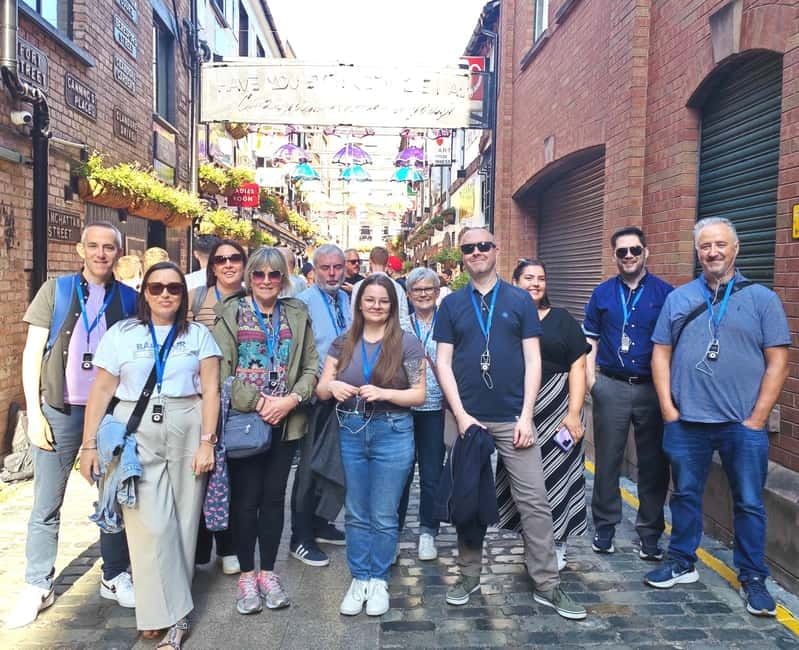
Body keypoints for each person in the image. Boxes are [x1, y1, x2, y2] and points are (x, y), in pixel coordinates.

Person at [433, 227, 586, 620]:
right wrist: (461, 415)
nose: (477, 252)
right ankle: (469, 576)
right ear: (462, 255)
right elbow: (443, 363)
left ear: (496, 250)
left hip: (514, 418)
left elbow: (533, 360)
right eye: (469, 247)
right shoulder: (451, 304)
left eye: (483, 245)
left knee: (534, 502)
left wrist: (527, 415)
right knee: (468, 499)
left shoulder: (519, 300)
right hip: (469, 419)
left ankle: (547, 584)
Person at [644, 217, 790, 617]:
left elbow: (778, 362)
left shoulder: (762, 299)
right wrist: (668, 409)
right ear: (697, 252)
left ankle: (753, 577)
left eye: (720, 244)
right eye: (705, 246)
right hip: (687, 422)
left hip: (741, 425)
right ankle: (681, 561)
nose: (713, 252)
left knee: (749, 502)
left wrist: (757, 418)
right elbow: (660, 354)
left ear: (735, 248)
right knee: (685, 495)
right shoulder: (679, 298)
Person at [80, 261, 221, 647]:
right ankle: (168, 611)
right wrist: (88, 444)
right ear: (144, 292)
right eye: (156, 287)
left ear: (183, 295)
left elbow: (211, 390)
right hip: (135, 427)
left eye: (174, 288)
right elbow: (102, 390)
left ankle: (168, 612)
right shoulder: (123, 333)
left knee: (185, 521)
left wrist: (208, 441)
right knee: (149, 524)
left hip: (187, 421)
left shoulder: (198, 335)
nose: (165, 294)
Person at [6, 222, 137, 629]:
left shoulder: (129, 299)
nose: (101, 253)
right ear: (81, 250)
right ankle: (37, 585)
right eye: (93, 246)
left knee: (112, 497)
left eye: (108, 247)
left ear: (117, 253)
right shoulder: (56, 291)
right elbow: (32, 353)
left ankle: (114, 575)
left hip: (110, 414)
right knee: (47, 503)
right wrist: (35, 414)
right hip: (60, 411)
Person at [213, 247, 319, 614]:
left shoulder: (296, 313)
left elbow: (311, 365)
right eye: (259, 274)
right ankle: (247, 575)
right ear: (249, 277)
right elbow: (221, 371)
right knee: (245, 501)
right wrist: (259, 402)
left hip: (286, 422)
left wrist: (290, 400)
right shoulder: (230, 313)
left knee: (274, 500)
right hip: (245, 422)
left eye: (274, 274)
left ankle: (268, 573)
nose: (266, 281)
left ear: (283, 278)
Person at [317, 275, 425, 617]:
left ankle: (378, 578)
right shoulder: (342, 343)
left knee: (383, 512)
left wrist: (385, 393)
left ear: (393, 306)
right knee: (355, 510)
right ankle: (359, 577)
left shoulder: (407, 343)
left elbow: (419, 395)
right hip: (351, 429)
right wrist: (333, 387)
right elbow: (321, 388)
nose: (376, 306)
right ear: (359, 304)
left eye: (383, 300)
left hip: (393, 430)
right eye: (370, 299)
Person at [582, 226, 673, 559]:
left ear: (646, 252)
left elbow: (673, 345)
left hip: (651, 388)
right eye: (622, 252)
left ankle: (650, 533)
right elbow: (590, 339)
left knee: (654, 464)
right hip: (612, 386)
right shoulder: (602, 293)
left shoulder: (666, 294)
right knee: (607, 461)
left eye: (635, 250)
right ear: (615, 257)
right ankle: (605, 527)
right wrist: (592, 381)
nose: (629, 256)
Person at [498, 259, 589, 571]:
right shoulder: (504, 320)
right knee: (523, 483)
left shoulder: (562, 319)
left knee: (558, 477)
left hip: (559, 410)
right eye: (528, 278)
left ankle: (557, 543)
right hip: (518, 410)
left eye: (540, 278)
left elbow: (578, 365)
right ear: (515, 282)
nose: (535, 283)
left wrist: (574, 413)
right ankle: (534, 543)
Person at [188, 239, 248, 575]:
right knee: (199, 474)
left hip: (237, 401)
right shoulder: (196, 299)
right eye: (221, 259)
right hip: (201, 398)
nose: (228, 264)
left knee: (231, 478)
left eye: (234, 258)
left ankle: (228, 547)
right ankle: (198, 550)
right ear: (212, 266)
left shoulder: (252, 299)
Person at [290, 244, 352, 567]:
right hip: (315, 395)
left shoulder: (346, 300)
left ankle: (321, 522)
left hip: (343, 394)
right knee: (309, 468)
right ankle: (300, 537)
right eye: (325, 268)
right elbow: (297, 352)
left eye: (337, 267)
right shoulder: (303, 303)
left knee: (333, 463)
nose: (332, 273)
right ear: (314, 271)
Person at [397, 267, 446, 561]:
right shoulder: (400, 324)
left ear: (437, 292)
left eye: (429, 289)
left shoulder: (447, 322)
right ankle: (393, 531)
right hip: (403, 408)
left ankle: (428, 531)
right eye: (417, 289)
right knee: (400, 473)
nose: (423, 294)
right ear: (409, 294)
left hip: (435, 409)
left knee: (432, 474)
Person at [351, 246, 410, 330]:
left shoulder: (358, 286)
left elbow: (354, 316)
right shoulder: (398, 288)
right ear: (387, 263)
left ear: (370, 261)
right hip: (392, 333)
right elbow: (403, 318)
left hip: (366, 333)